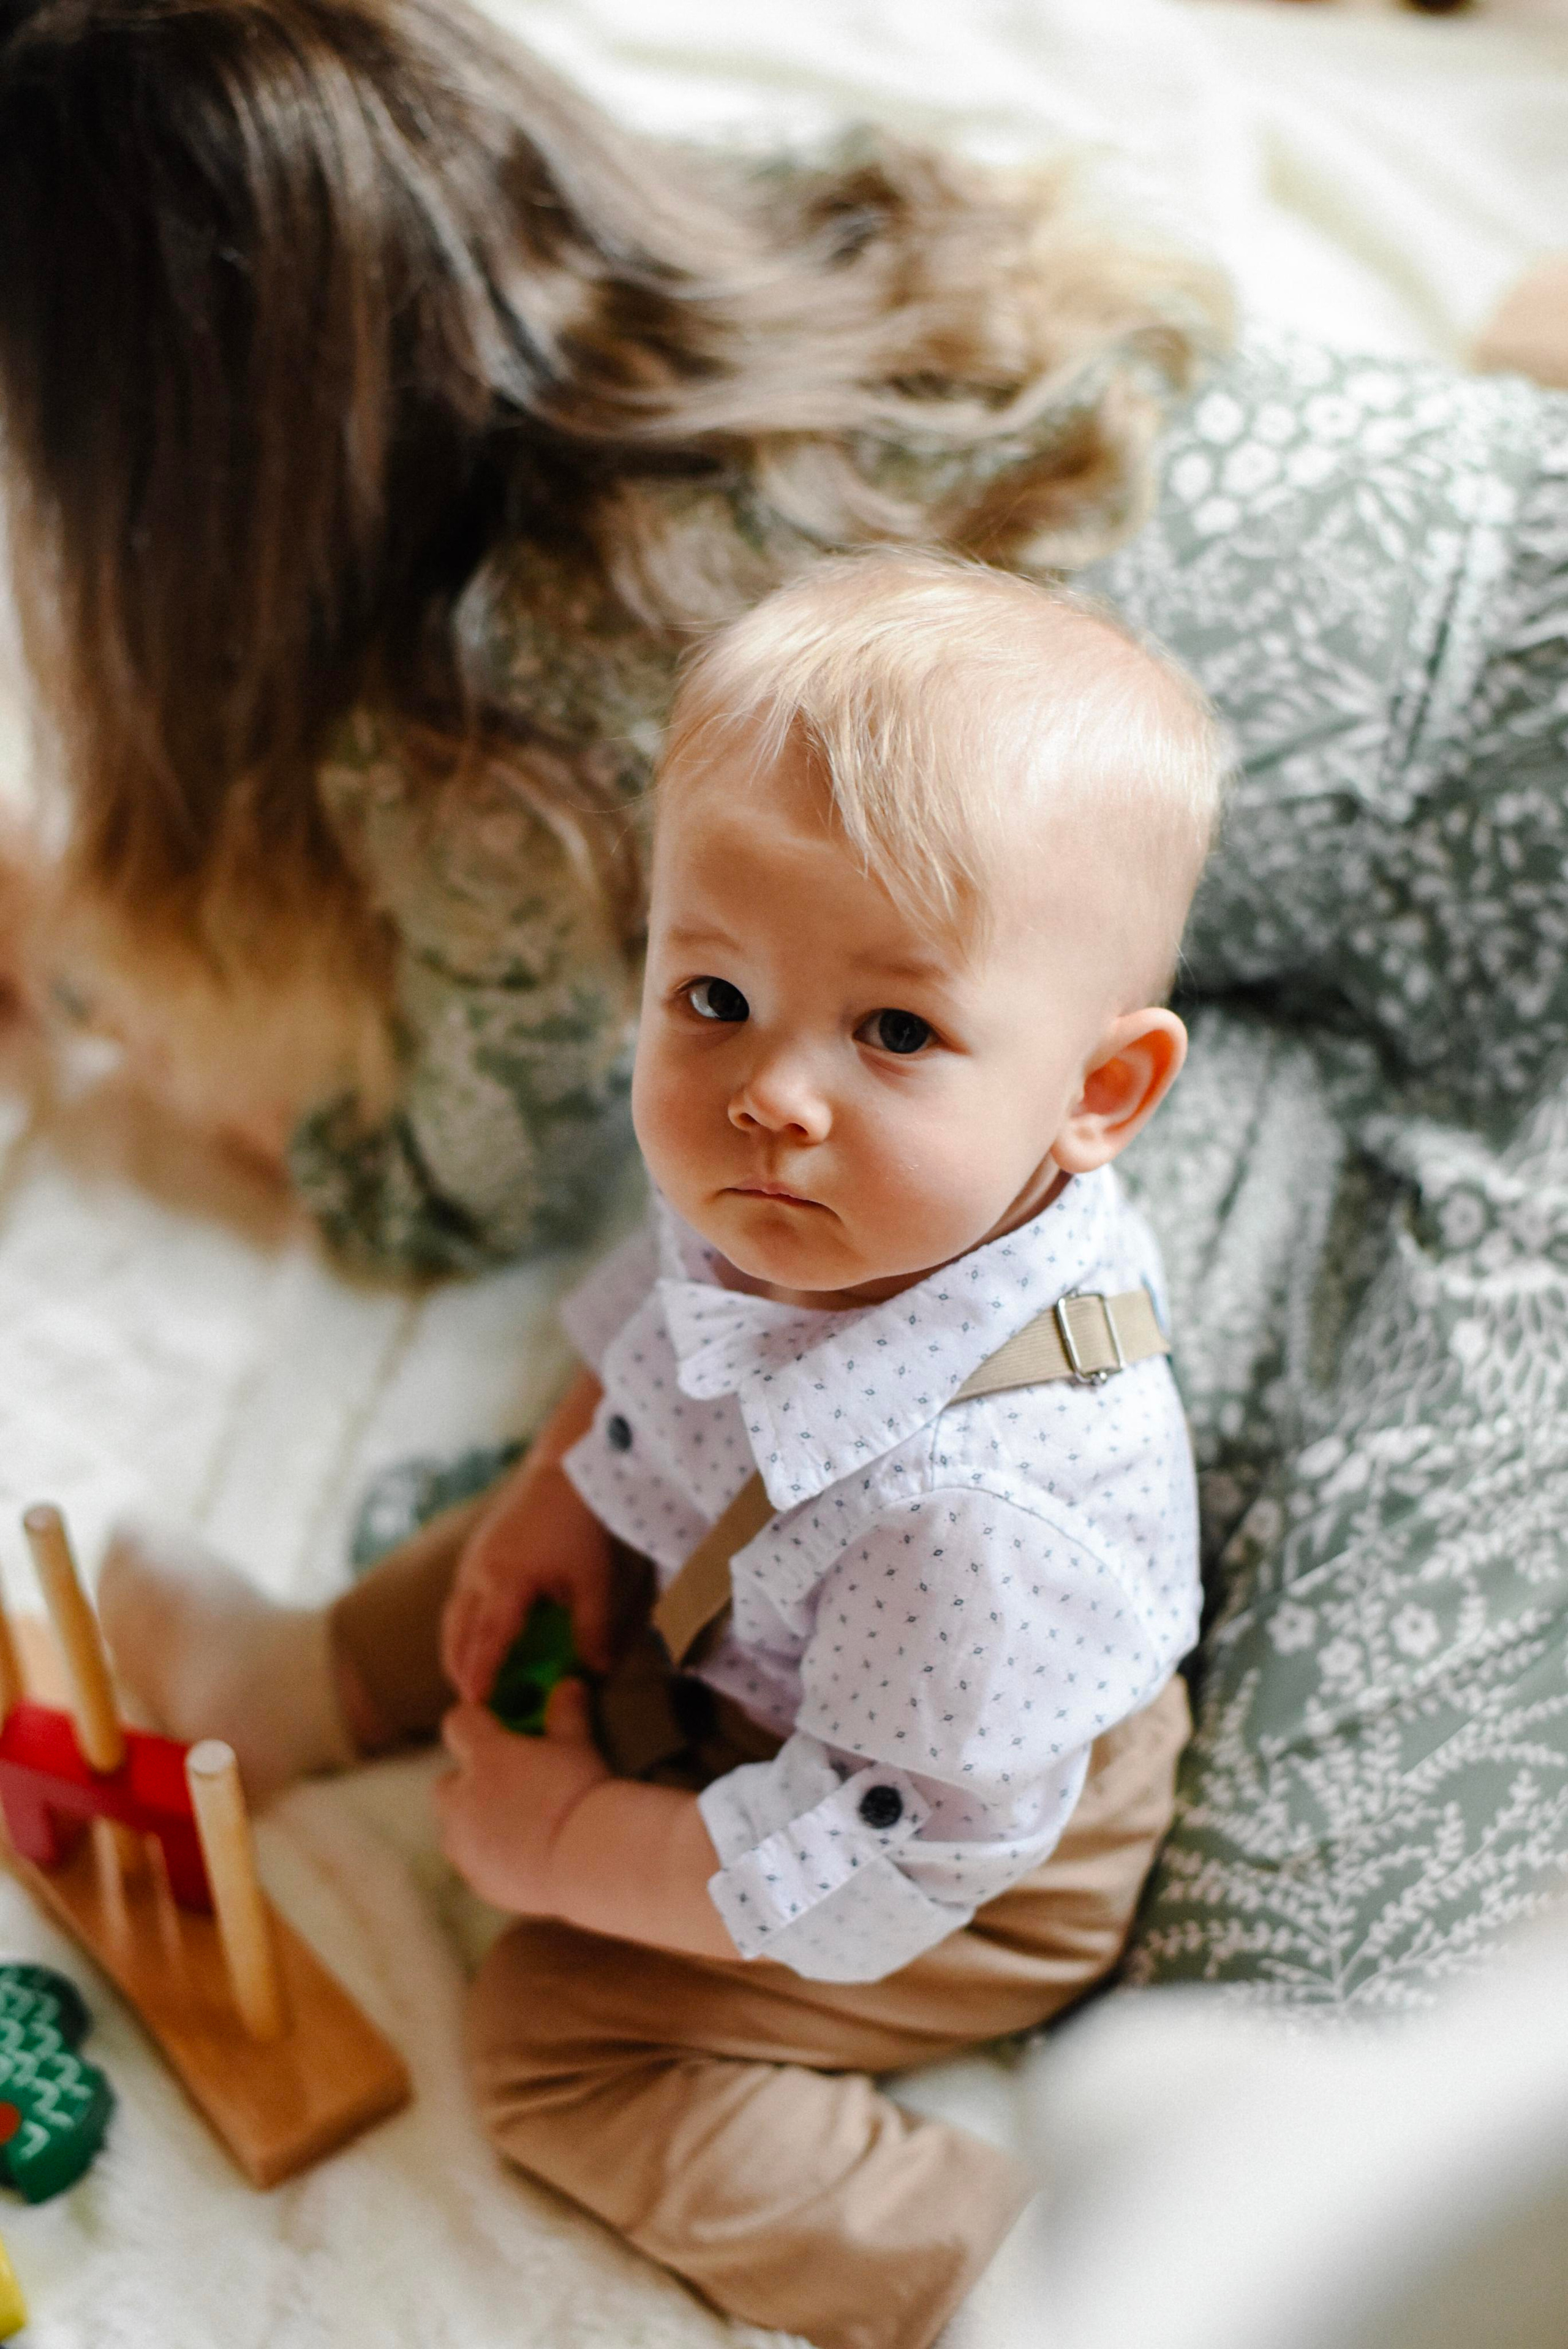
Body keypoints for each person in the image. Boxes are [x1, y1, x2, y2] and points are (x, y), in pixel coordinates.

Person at [102, 551, 1228, 2349]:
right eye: (711, 994)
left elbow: (868, 1858)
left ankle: (999, 2265)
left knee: (552, 2039)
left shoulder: (988, 1518)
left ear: (1098, 1093)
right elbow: (666, 1327)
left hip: (947, 1821)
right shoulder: (803, 1175)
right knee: (512, 1543)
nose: (772, 1092)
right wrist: (563, 1489)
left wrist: (569, 1843)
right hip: (771, 1605)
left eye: (896, 1029)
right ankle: (297, 1676)